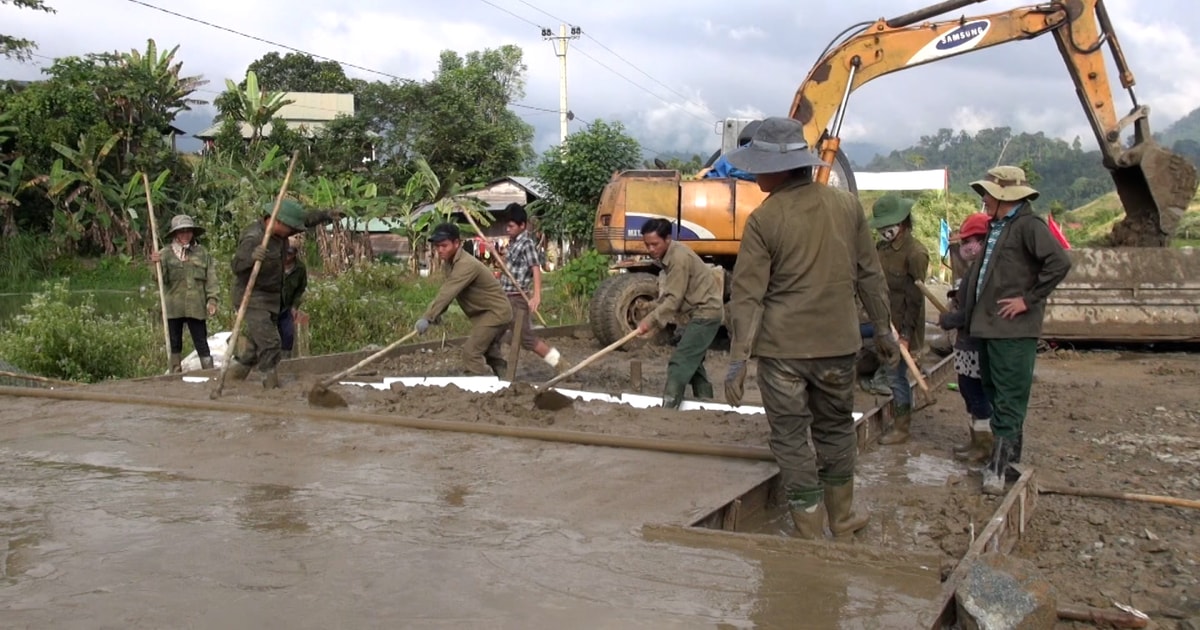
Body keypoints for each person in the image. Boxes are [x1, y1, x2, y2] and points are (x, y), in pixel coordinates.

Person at [723, 117, 899, 540]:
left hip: (783, 354)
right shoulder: (847, 207)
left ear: (780, 168)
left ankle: (808, 525)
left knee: (789, 436)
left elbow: (747, 296)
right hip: (838, 347)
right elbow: (870, 277)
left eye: (761, 165)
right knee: (836, 428)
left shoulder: (764, 220)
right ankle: (842, 519)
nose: (756, 173)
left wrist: (737, 361)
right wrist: (884, 329)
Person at [960, 165, 1071, 494]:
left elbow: (1059, 263)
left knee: (1009, 396)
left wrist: (1028, 299)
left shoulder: (1027, 226)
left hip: (1013, 328)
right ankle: (1007, 460)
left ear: (1003, 197)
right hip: (991, 326)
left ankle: (997, 467)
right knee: (995, 390)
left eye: (987, 195)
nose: (983, 200)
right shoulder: (997, 226)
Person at [227, 199, 319, 389]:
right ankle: (271, 386)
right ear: (277, 222)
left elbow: (305, 220)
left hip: (272, 297)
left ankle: (232, 380)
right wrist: (251, 258)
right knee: (270, 343)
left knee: (253, 347)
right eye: (290, 229)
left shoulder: (281, 233)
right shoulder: (253, 237)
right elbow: (236, 266)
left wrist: (325, 215)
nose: (293, 233)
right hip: (252, 296)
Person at [633, 217, 724, 409]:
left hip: (706, 313)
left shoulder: (678, 258)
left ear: (667, 239)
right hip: (698, 312)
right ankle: (705, 404)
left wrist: (649, 322)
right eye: (647, 245)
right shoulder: (670, 255)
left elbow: (674, 300)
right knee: (694, 362)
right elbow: (671, 294)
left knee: (680, 362)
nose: (650, 249)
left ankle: (669, 408)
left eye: (654, 244)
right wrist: (651, 307)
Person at [416, 222, 514, 376]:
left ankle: (480, 388)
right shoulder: (449, 264)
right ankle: (506, 381)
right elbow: (451, 292)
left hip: (496, 313)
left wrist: (428, 317)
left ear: (457, 243)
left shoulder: (466, 264)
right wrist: (438, 314)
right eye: (437, 246)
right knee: (489, 352)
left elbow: (448, 292)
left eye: (444, 245)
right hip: (486, 314)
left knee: (471, 353)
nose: (439, 250)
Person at [870, 195, 930, 446]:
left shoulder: (916, 253)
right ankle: (900, 419)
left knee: (896, 376)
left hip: (905, 325)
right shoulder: (880, 249)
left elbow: (914, 299)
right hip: (885, 322)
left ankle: (902, 427)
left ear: (903, 222)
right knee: (889, 371)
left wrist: (905, 335)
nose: (885, 230)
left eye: (889, 224)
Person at [937, 213, 994, 464]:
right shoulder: (974, 269)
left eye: (968, 241)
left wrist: (953, 319)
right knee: (968, 391)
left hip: (977, 342)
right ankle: (975, 440)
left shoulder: (986, 271)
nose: (964, 247)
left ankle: (984, 445)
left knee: (977, 394)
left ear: (981, 241)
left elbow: (977, 309)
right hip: (966, 342)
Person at [498, 203, 572, 376]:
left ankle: (561, 365)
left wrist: (536, 296)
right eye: (506, 225)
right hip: (505, 296)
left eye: (511, 226)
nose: (507, 229)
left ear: (522, 225)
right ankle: (499, 369)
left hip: (517, 298)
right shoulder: (513, 243)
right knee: (495, 331)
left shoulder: (526, 243)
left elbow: (535, 268)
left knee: (528, 339)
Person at [150, 214, 219, 373]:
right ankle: (175, 371)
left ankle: (208, 371)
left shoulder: (202, 253)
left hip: (196, 305)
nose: (185, 235)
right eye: (181, 231)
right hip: (174, 305)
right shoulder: (165, 254)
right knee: (174, 342)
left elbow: (211, 278)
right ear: (175, 234)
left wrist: (212, 300)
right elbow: (159, 279)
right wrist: (155, 264)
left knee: (201, 341)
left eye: (188, 231)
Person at [277, 241, 308, 359]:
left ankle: (285, 362)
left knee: (288, 335)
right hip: (271, 306)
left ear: (295, 254)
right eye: (285, 253)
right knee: (270, 337)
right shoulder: (274, 264)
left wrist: (295, 306)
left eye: (289, 254)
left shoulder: (300, 269)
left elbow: (300, 289)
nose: (287, 256)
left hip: (286, 308)